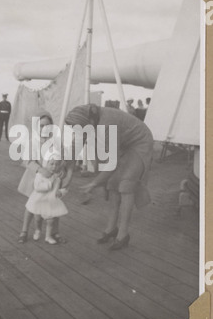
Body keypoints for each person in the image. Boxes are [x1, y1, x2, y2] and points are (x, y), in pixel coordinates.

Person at [65, 104, 153, 250]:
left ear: (88, 123)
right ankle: (111, 229)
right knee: (112, 185)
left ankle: (123, 234)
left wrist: (94, 183)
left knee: (126, 185)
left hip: (139, 142)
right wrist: (66, 170)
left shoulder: (107, 124)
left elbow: (112, 163)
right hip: (123, 143)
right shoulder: (87, 120)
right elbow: (76, 146)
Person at [17, 110, 71, 244]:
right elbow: (27, 161)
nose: (44, 128)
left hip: (52, 178)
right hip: (36, 177)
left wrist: (61, 170)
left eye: (47, 125)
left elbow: (63, 159)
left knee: (53, 204)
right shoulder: (32, 141)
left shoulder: (57, 142)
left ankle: (55, 232)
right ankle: (24, 230)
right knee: (31, 205)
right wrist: (40, 169)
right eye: (41, 125)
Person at [26, 152, 68, 245]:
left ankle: (48, 236)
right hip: (39, 200)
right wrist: (50, 183)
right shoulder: (40, 175)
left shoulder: (57, 177)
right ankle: (37, 230)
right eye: (51, 164)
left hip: (50, 201)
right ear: (46, 164)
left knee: (50, 220)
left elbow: (58, 189)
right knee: (38, 218)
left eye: (56, 164)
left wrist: (60, 192)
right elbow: (37, 187)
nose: (54, 167)